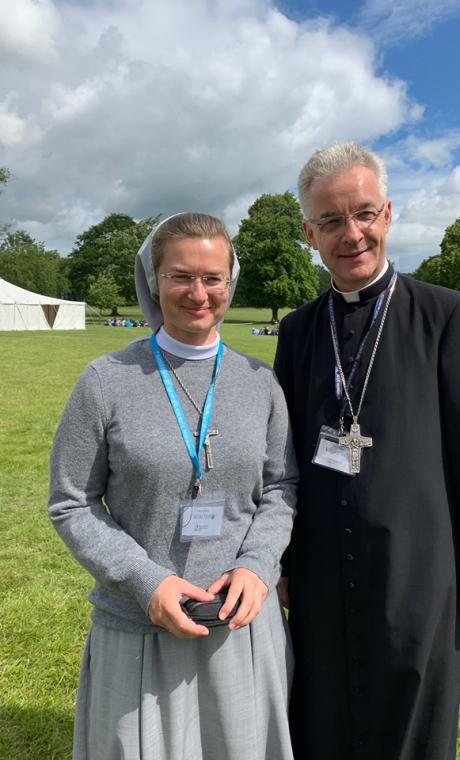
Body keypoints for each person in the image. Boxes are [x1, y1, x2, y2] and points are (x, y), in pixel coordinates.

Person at [273, 143, 460, 760]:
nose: (351, 234)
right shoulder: (298, 330)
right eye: (330, 221)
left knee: (413, 729)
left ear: (387, 214)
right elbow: (284, 461)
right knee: (321, 718)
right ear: (309, 233)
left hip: (419, 573)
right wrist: (282, 565)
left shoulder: (447, 315)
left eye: (363, 214)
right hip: (321, 574)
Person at [49, 212, 297, 760]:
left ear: (230, 282)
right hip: (140, 625)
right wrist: (145, 580)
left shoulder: (260, 382)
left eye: (213, 278)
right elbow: (71, 502)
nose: (198, 293)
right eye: (180, 276)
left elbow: (281, 487)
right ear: (153, 280)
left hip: (241, 625)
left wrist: (257, 566)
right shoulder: (105, 381)